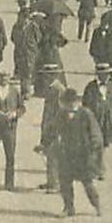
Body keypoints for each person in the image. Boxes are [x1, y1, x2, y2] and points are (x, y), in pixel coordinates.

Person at [54, 88, 104, 217]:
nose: (70, 105)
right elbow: (53, 130)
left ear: (77, 101)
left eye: (72, 102)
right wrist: (44, 143)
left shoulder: (86, 114)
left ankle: (97, 205)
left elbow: (95, 133)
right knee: (65, 182)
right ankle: (68, 207)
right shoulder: (61, 114)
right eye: (67, 102)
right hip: (66, 153)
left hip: (83, 154)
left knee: (87, 183)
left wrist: (93, 148)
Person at [83, 62, 112, 167]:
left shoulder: (111, 86)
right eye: (104, 74)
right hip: (94, 120)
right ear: (98, 75)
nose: (107, 76)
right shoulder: (90, 87)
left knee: (104, 143)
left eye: (108, 74)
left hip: (107, 120)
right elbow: (85, 104)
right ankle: (97, 167)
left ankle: (98, 166)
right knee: (95, 143)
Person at [35, 63, 68, 193]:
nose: (45, 78)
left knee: (55, 156)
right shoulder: (50, 88)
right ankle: (50, 181)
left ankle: (56, 184)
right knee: (49, 154)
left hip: (56, 128)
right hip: (49, 126)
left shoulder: (58, 89)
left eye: (47, 75)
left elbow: (62, 112)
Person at [12, 11, 39, 101]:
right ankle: (23, 90)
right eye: (20, 17)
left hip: (29, 51)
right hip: (19, 51)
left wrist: (31, 45)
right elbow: (12, 37)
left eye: (24, 18)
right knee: (21, 70)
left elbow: (38, 38)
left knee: (28, 71)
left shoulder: (33, 26)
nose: (21, 19)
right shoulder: (16, 26)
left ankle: (26, 92)